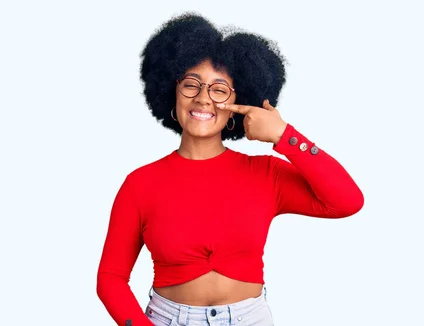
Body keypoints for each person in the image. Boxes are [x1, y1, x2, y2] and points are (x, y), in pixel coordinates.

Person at [96, 12, 364, 326]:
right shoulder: (140, 184)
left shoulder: (266, 174)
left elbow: (346, 201)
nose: (203, 98)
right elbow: (111, 278)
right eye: (191, 85)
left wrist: (284, 135)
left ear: (239, 101)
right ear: (172, 90)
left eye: (219, 89)